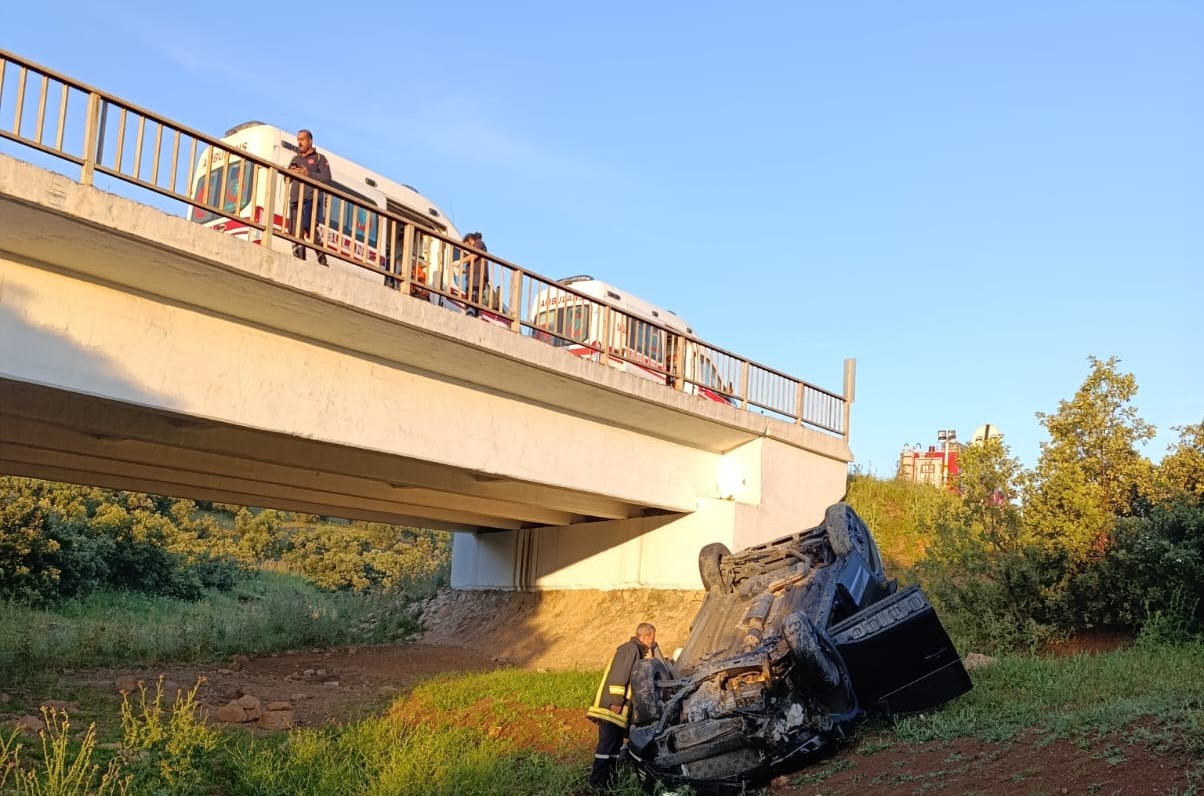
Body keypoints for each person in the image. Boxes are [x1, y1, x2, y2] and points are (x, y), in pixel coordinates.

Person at [586, 622, 667, 790]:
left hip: (618, 710)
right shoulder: (629, 649)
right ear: (645, 636)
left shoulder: (637, 651)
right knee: (607, 744)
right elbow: (619, 674)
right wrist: (616, 701)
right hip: (612, 707)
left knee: (614, 745)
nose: (654, 640)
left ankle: (609, 781)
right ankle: (596, 782)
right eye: (652, 636)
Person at [287, 129, 332, 266]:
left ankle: (322, 258)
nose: (299, 142)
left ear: (310, 141)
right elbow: (286, 179)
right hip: (295, 199)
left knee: (309, 228)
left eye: (302, 139)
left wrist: (308, 175)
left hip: (311, 199)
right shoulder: (295, 159)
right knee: (295, 231)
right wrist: (290, 172)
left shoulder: (320, 158)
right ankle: (299, 261)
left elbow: (327, 178)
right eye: (298, 139)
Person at [461, 231, 490, 309]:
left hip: (477, 276)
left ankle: (472, 313)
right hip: (474, 276)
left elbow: (474, 255)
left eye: (465, 244)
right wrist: (464, 272)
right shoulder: (477, 245)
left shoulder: (479, 242)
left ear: (470, 240)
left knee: (473, 297)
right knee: (470, 299)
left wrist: (460, 262)